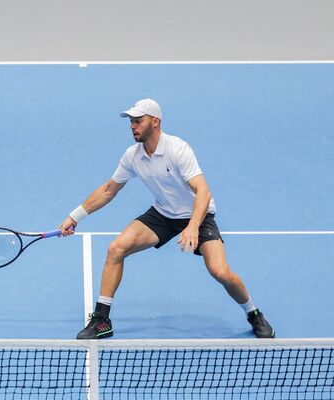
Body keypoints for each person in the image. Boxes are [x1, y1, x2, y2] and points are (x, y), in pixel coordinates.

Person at [59, 98, 274, 339]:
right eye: (131, 121)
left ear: (155, 121)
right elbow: (109, 190)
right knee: (116, 248)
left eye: (138, 121)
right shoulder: (132, 156)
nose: (132, 126)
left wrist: (192, 226)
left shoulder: (177, 149)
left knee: (220, 272)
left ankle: (254, 313)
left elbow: (203, 191)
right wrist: (74, 216)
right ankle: (102, 321)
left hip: (198, 215)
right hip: (163, 214)